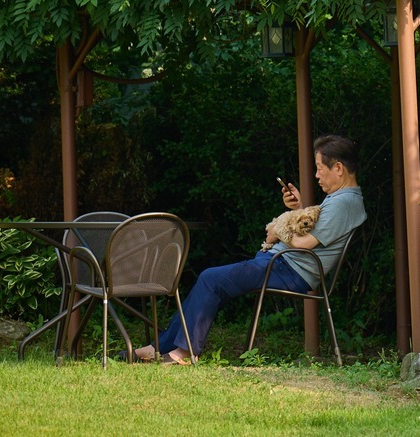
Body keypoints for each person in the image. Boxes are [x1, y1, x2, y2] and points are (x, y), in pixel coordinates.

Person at [132, 133, 366, 364]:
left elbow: (305, 243)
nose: (316, 175)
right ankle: (159, 347)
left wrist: (276, 231)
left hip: (289, 270)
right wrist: (299, 208)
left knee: (210, 279)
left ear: (338, 168)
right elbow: (311, 233)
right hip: (280, 263)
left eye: (319, 168)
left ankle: (183, 353)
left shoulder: (345, 202)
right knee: (212, 281)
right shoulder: (340, 198)